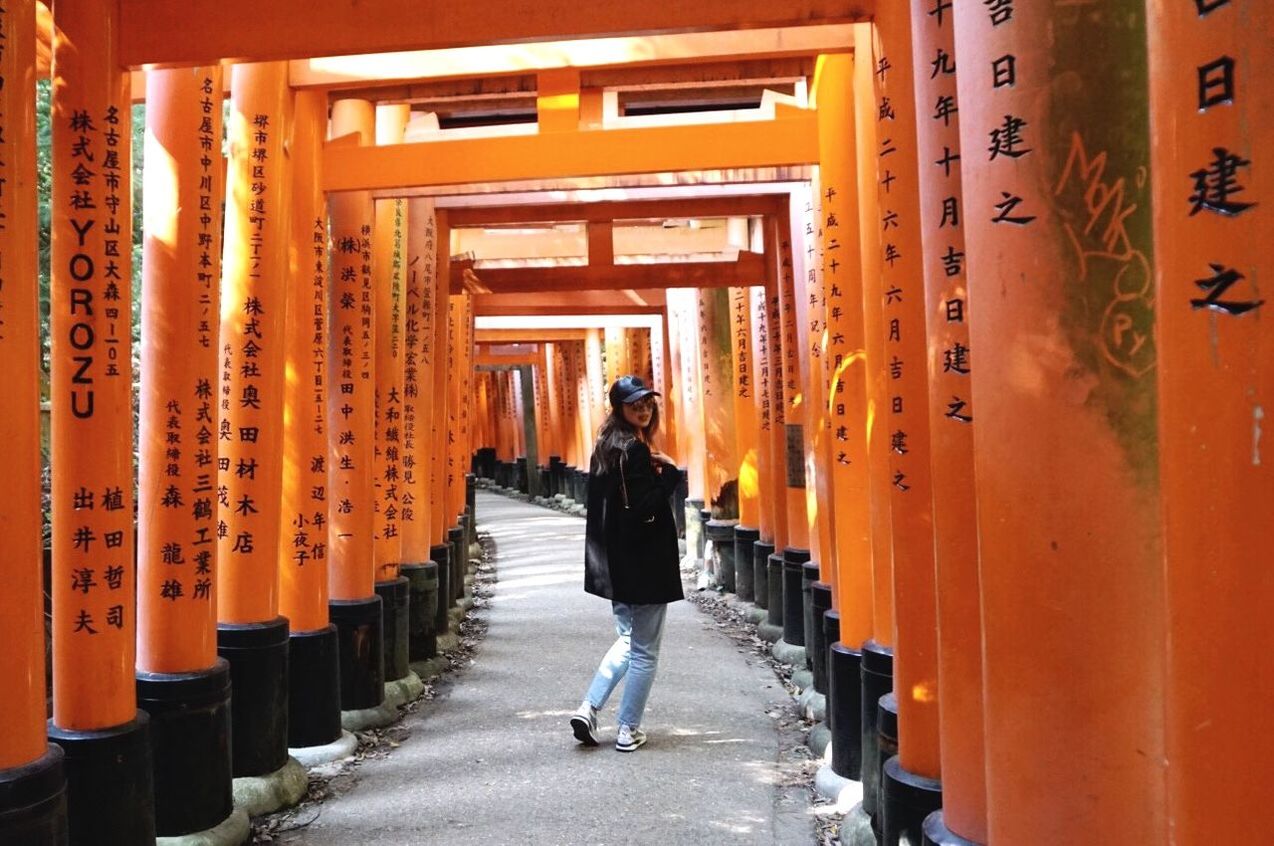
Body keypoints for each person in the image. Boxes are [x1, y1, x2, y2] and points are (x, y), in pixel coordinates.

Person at [571, 375, 683, 752]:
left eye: (648, 402)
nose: (644, 408)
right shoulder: (634, 452)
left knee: (628, 639)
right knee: (645, 651)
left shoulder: (605, 447)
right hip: (644, 566)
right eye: (635, 403)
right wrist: (670, 475)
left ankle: (588, 708)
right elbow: (644, 510)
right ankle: (627, 728)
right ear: (619, 407)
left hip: (617, 566)